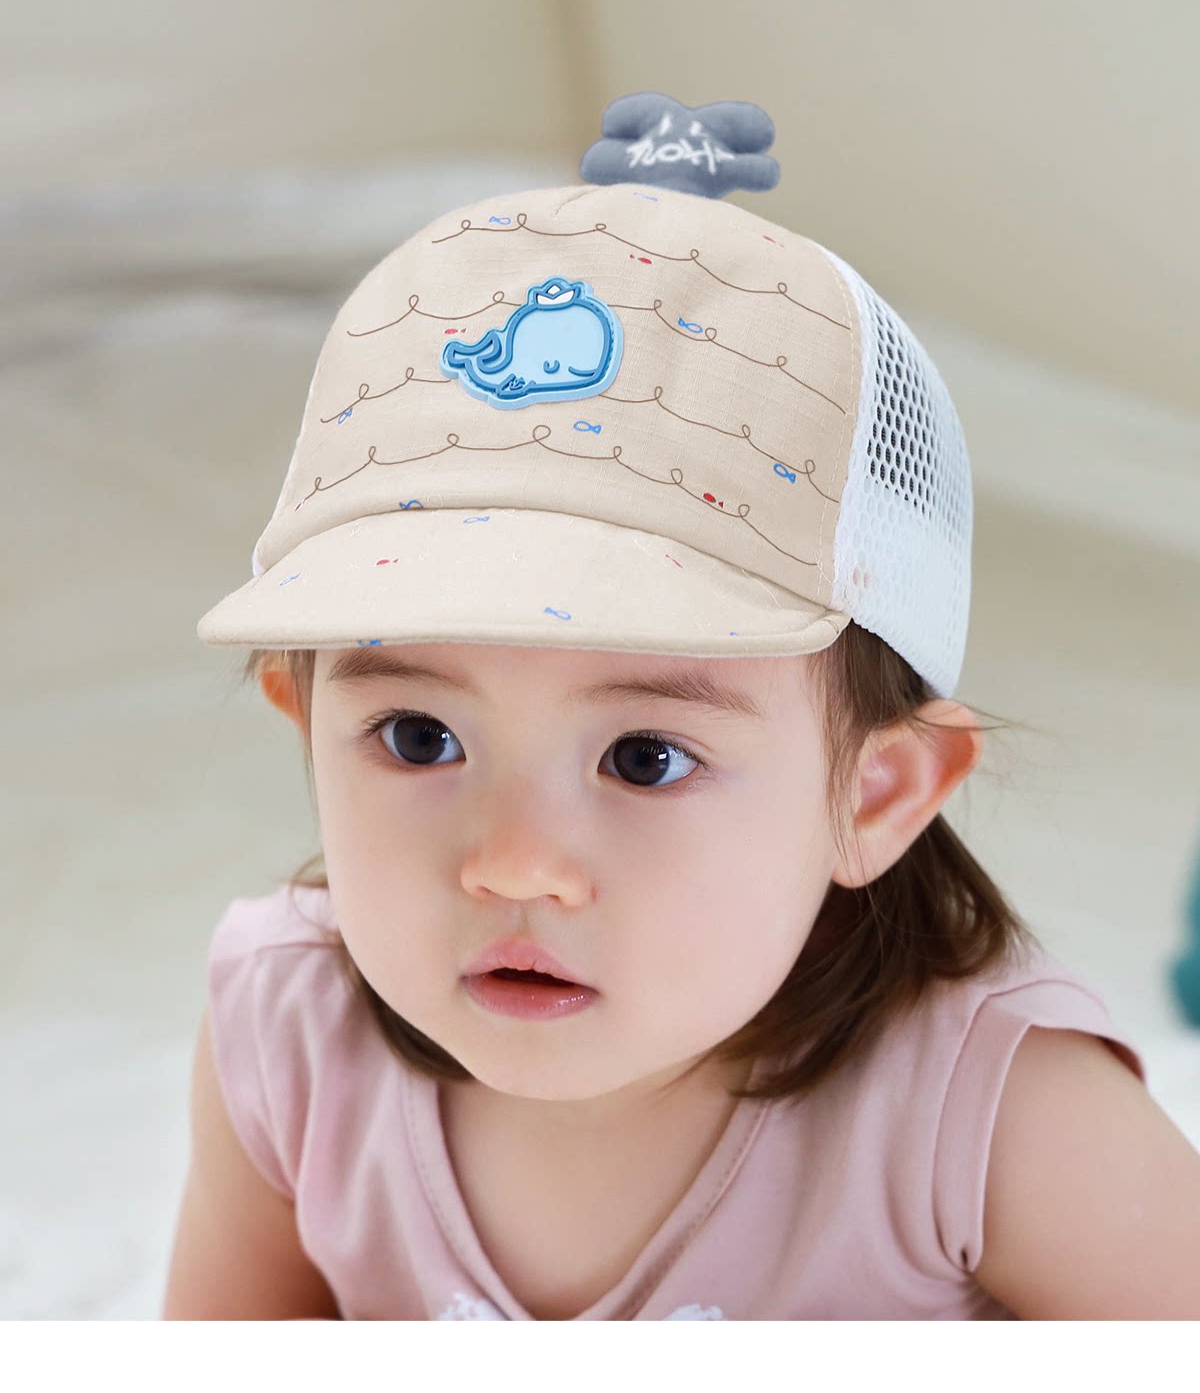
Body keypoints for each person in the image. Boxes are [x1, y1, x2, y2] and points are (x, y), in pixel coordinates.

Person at [162, 95, 1200, 1321]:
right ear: (303, 719)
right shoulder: (285, 1040)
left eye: (646, 756)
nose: (517, 865)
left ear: (874, 793)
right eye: (419, 738)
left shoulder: (993, 1120)